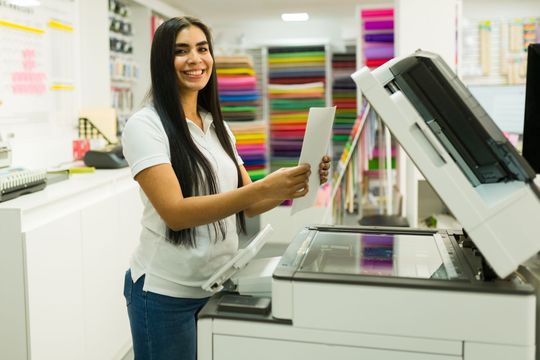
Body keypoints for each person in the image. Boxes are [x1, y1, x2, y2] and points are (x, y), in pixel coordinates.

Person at [121, 16, 331, 360]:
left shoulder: (217, 126)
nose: (195, 59)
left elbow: (248, 204)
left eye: (202, 49)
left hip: (216, 284)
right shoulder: (145, 125)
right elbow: (175, 213)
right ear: (162, 60)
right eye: (181, 51)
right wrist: (265, 186)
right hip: (163, 294)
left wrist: (294, 182)